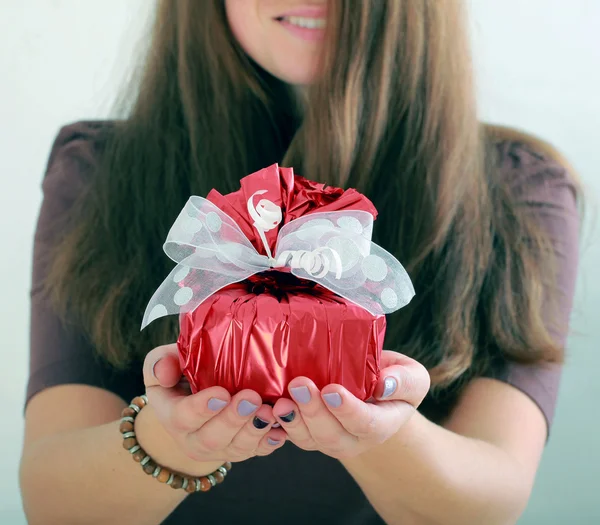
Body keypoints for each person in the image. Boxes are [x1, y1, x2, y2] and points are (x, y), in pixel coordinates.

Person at [19, 1, 580, 524]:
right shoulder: (97, 175)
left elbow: (493, 498)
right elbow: (52, 499)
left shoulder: (519, 193)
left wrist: (382, 437)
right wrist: (171, 444)